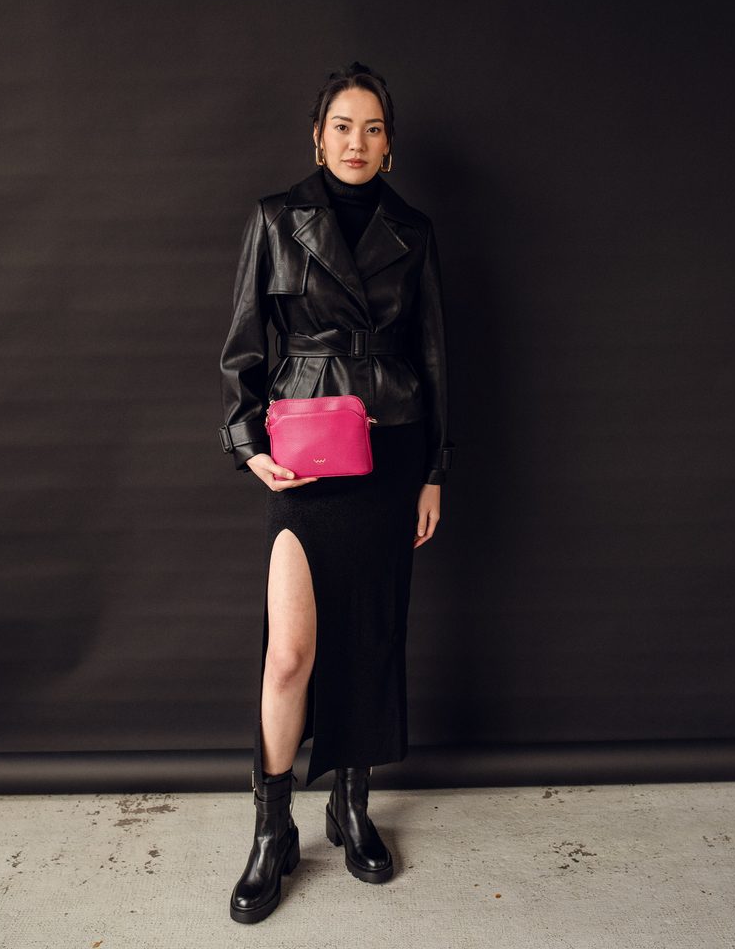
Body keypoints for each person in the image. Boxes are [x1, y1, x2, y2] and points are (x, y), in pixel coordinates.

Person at [218, 61, 454, 923]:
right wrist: (246, 443)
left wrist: (433, 471)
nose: (358, 142)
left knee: (369, 641)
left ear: (390, 145)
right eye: (343, 126)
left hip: (391, 452)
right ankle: (272, 830)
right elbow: (244, 342)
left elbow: (435, 356)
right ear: (318, 137)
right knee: (290, 652)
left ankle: (350, 807)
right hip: (308, 455)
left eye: (374, 128)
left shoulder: (413, 231)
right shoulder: (277, 219)